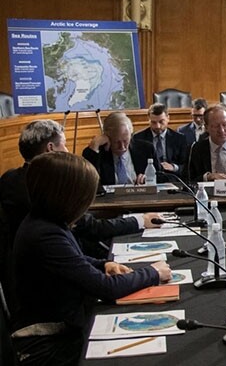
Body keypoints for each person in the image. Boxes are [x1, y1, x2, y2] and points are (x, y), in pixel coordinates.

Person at [10, 151, 172, 366]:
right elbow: (105, 288)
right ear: (66, 196)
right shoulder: (45, 233)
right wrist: (152, 273)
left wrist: (104, 263)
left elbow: (72, 260)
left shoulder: (46, 221)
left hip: (62, 326)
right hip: (49, 342)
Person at [0, 119, 163, 266]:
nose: (67, 150)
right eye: (64, 144)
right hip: (56, 266)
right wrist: (139, 221)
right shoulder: (53, 185)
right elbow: (90, 227)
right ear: (51, 149)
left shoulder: (8, 179)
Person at [82, 111, 159, 185]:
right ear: (107, 137)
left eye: (125, 141)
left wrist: (149, 178)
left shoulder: (146, 149)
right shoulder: (98, 153)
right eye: (117, 142)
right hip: (109, 198)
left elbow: (164, 176)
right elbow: (86, 182)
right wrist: (95, 144)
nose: (122, 147)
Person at [133, 102, 189, 178]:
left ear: (168, 118)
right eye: (153, 122)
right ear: (148, 119)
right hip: (147, 179)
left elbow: (187, 166)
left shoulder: (179, 138)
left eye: (161, 122)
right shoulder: (138, 138)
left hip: (172, 179)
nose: (157, 126)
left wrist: (174, 167)